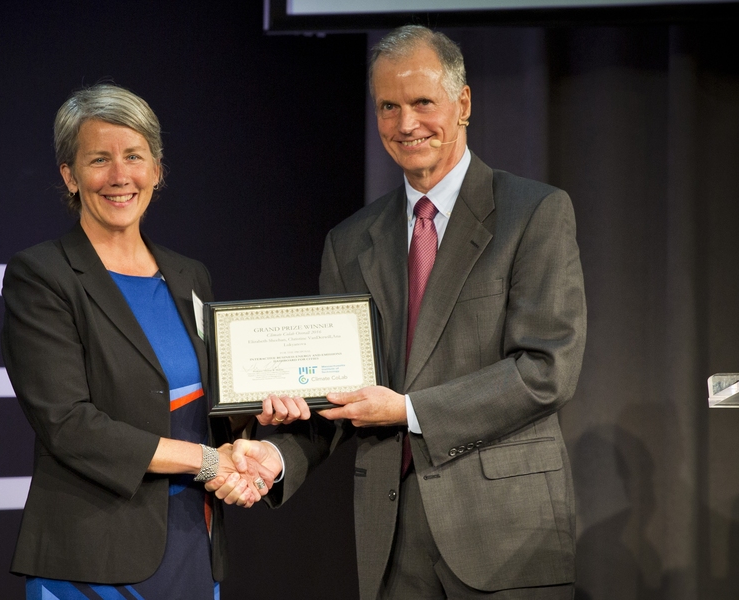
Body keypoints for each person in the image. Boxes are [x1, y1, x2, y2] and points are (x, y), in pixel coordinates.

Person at [219, 25, 587, 599]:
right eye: (388, 106)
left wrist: (410, 409)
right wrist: (274, 455)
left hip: (506, 533)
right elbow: (338, 394)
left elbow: (546, 370)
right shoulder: (351, 241)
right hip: (391, 537)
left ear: (462, 104)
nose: (406, 124)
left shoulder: (534, 213)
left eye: (422, 102)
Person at [1, 83, 290, 600]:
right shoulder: (42, 275)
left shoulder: (189, 275)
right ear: (69, 175)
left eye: (134, 156)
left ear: (156, 169)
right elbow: (67, 424)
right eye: (98, 159)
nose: (119, 176)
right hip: (92, 559)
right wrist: (207, 461)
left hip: (193, 545)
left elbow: (211, 408)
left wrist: (256, 425)